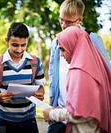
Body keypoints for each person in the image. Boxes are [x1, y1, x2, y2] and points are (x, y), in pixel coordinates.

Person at [48, 0, 111, 132]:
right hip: (61, 106)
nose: (64, 26)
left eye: (69, 22)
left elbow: (105, 70)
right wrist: (51, 99)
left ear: (80, 20)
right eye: (61, 20)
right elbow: (53, 72)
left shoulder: (92, 38)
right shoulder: (56, 41)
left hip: (83, 107)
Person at [0, 22, 46, 133]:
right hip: (5, 121)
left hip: (29, 121)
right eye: (15, 45)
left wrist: (40, 94)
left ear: (27, 41)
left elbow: (40, 87)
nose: (19, 50)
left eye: (23, 45)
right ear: (7, 41)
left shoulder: (35, 62)